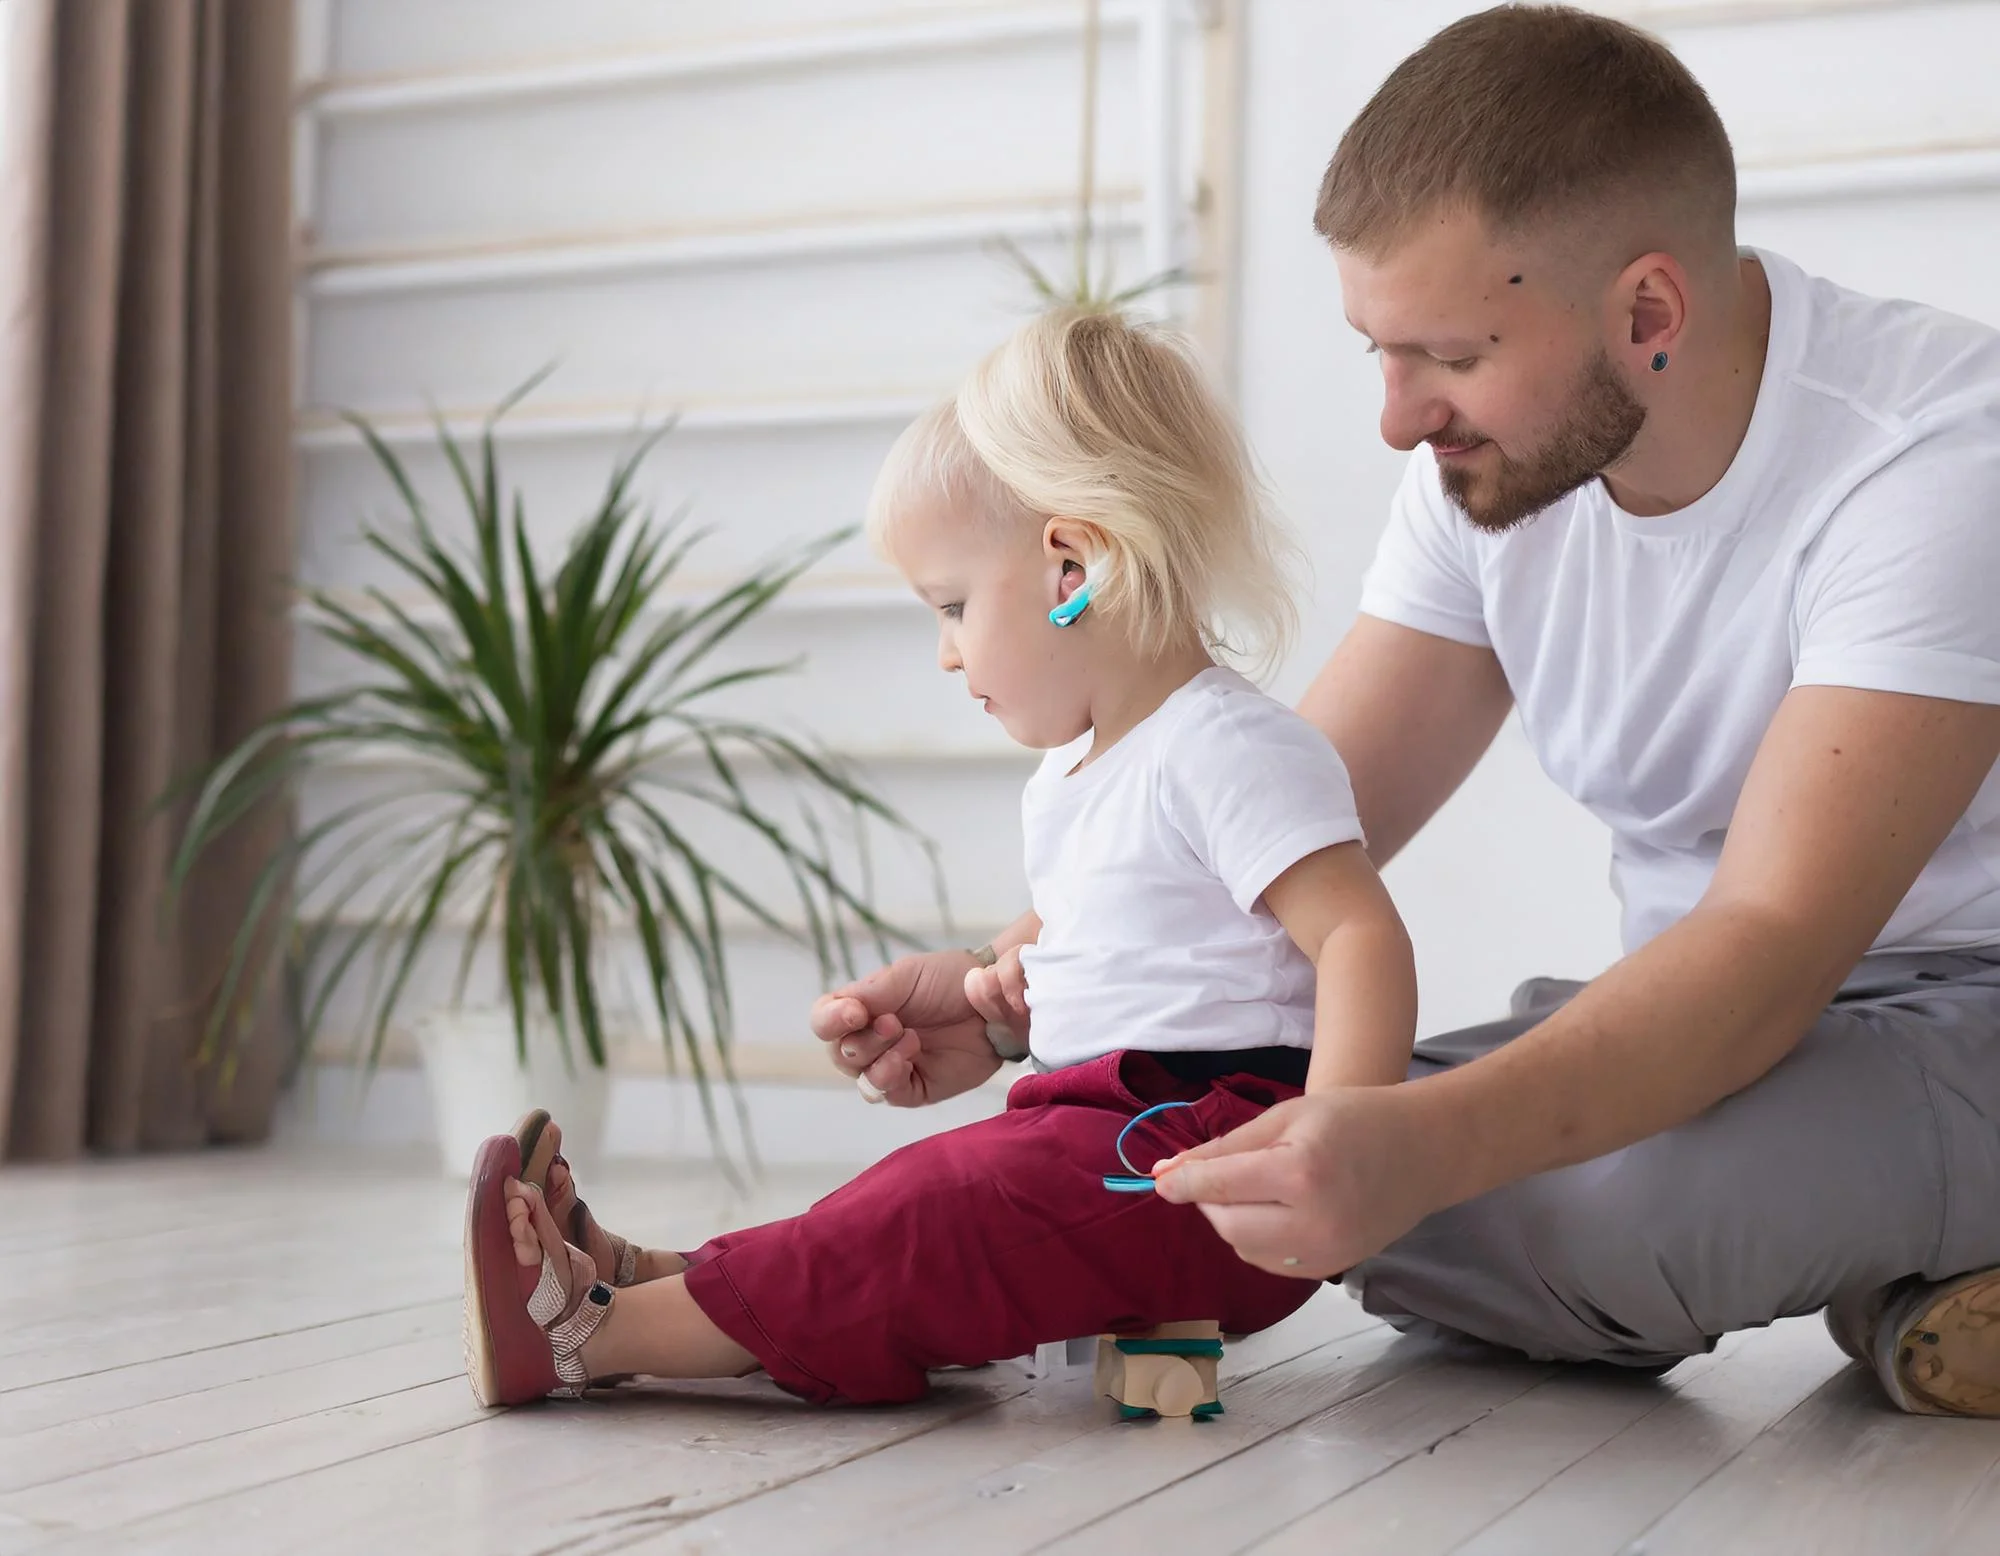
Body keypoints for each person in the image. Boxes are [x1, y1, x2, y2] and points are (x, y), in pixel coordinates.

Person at [817, 5, 2000, 1420]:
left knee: (1579, 1217)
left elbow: (1767, 943)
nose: (1395, 417)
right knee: (1229, 1149)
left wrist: (1414, 1153)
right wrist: (1029, 988)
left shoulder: (1933, 462)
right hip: (1697, 1011)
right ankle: (1890, 1248)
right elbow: (1292, 812)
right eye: (1379, 350)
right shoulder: (1489, 464)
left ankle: (1903, 1230)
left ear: (1648, 314)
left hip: (1950, 1005)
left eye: (1442, 354)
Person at [459, 306, 1422, 1408]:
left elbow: (1354, 930)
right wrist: (1005, 989)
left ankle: (596, 1332)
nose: (947, 651)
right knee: (915, 1201)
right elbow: (1132, 936)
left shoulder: (1226, 744)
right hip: (1105, 1131)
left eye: (955, 605)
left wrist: (1346, 1141)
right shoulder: (1078, 774)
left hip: (1207, 1153)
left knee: (940, 1208)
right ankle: (655, 1280)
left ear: (1073, 567)